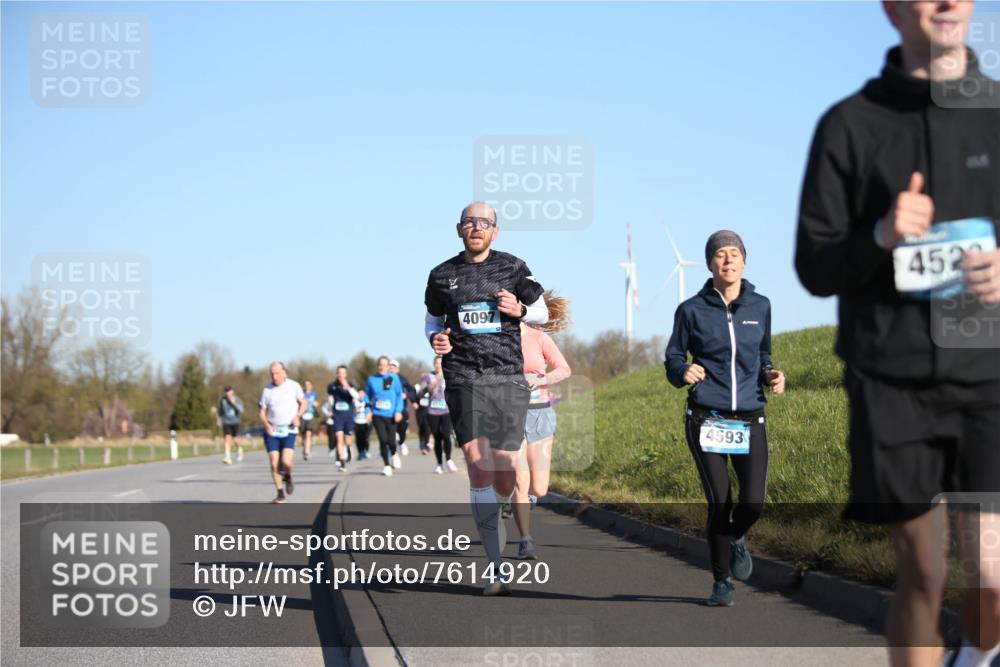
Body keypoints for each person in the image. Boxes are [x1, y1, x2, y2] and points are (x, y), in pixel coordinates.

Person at [795, 2, 1000, 664]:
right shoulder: (849, 125)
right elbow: (814, 263)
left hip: (989, 370)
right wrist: (881, 235)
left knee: (992, 578)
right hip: (890, 377)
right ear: (892, 9)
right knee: (924, 571)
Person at [424, 201, 548, 595]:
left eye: (485, 222)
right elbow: (431, 319)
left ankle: (506, 500)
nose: (476, 227)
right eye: (469, 222)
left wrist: (522, 308)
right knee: (479, 466)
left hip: (507, 378)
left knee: (507, 467)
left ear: (495, 231)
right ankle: (495, 569)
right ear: (458, 229)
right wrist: (435, 338)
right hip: (463, 377)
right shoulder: (442, 275)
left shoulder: (513, 266)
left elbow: (543, 311)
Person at [664, 230, 786, 607]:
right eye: (720, 255)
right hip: (707, 417)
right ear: (710, 264)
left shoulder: (760, 306)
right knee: (720, 502)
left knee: (753, 503)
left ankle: (735, 537)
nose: (728, 260)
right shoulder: (690, 310)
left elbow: (764, 354)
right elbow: (672, 358)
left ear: (744, 261)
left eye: (734, 253)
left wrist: (771, 374)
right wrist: (682, 372)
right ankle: (721, 583)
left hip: (750, 417)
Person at [512, 291, 572, 561]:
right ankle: (525, 539)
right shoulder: (497, 341)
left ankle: (525, 502)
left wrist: (543, 379)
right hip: (509, 415)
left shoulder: (538, 337)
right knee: (520, 481)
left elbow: (564, 369)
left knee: (539, 488)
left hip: (539, 414)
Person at [258, 362, 307, 504]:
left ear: (284, 372)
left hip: (289, 429)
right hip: (272, 430)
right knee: (274, 464)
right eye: (272, 373)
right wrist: (266, 424)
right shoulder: (267, 390)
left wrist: (298, 416)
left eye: (277, 373)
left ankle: (289, 476)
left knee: (286, 462)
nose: (274, 376)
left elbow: (303, 402)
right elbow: (262, 411)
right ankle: (280, 494)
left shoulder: (294, 386)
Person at [366, 356, 405, 476]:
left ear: (388, 367)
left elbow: (399, 395)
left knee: (391, 441)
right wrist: (368, 411)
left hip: (391, 415)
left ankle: (394, 453)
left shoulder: (393, 378)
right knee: (383, 440)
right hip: (377, 414)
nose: (382, 367)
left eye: (384, 365)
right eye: (380, 365)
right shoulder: (372, 379)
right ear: (377, 366)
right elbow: (367, 396)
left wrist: (398, 411)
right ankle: (386, 465)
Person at [423, 356, 458, 475]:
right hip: (432, 411)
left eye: (440, 363)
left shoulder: (450, 375)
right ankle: (439, 464)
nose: (438, 365)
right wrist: (429, 387)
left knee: (446, 435)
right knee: (437, 437)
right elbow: (419, 392)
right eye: (436, 363)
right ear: (434, 365)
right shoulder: (428, 377)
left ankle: (448, 459)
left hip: (446, 410)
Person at [327, 366, 359, 472]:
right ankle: (342, 462)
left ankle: (349, 448)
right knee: (339, 438)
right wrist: (330, 407)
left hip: (348, 416)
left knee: (347, 439)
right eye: (339, 372)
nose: (340, 374)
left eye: (343, 373)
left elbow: (357, 396)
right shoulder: (332, 386)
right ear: (337, 374)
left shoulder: (350, 385)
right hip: (338, 416)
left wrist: (347, 387)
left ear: (346, 374)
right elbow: (330, 397)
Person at [390, 359, 414, 456]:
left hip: (402, 408)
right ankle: (391, 449)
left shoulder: (402, 379)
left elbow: (411, 390)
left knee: (402, 430)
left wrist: (406, 395)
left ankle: (402, 442)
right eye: (390, 367)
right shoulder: (385, 378)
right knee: (391, 430)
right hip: (390, 410)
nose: (391, 369)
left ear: (397, 369)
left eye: (394, 367)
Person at [218, 386, 244, 465]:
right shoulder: (223, 400)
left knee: (235, 439)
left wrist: (234, 403)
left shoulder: (237, 399)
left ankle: (239, 449)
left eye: (229, 391)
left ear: (232, 392)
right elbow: (220, 411)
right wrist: (219, 419)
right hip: (226, 422)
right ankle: (227, 457)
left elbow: (241, 410)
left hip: (235, 422)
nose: (228, 393)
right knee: (227, 437)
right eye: (226, 392)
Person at [299, 380, 320, 461]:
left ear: (311, 386)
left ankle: (307, 452)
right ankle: (305, 447)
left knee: (308, 434)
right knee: (303, 436)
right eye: (305, 384)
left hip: (310, 416)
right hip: (302, 416)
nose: (307, 386)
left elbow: (316, 403)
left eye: (308, 384)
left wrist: (316, 404)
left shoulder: (314, 394)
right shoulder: (301, 394)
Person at [415, 369, 433, 455]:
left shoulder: (431, 388)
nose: (425, 381)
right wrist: (414, 402)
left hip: (429, 411)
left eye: (426, 379)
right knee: (421, 428)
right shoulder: (418, 387)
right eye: (423, 379)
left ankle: (426, 445)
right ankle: (422, 443)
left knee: (427, 428)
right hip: (419, 411)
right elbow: (414, 397)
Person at [353, 389, 372, 460]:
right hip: (356, 422)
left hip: (365, 422)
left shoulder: (367, 401)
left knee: (366, 438)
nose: (361, 395)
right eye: (359, 393)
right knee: (358, 438)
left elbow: (370, 410)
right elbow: (352, 411)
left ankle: (366, 451)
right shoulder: (354, 401)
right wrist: (356, 410)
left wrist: (369, 419)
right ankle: (360, 452)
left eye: (362, 393)